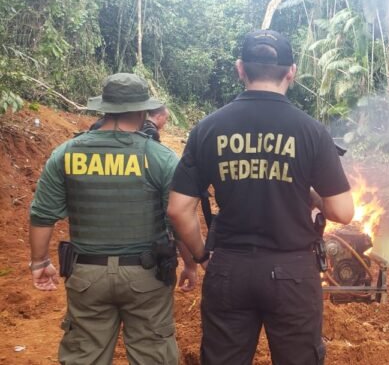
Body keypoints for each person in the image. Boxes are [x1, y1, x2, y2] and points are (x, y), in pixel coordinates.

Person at [167, 30, 354, 365]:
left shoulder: (208, 129)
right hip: (294, 273)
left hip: (230, 268)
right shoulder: (312, 131)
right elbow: (342, 211)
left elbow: (179, 210)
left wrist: (202, 255)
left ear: (240, 69)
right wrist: (311, 195)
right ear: (291, 72)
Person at [28, 73, 197, 364]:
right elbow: (178, 220)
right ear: (143, 111)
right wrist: (191, 264)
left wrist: (40, 262)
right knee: (153, 354)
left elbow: (42, 215)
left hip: (86, 276)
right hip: (146, 276)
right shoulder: (160, 157)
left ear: (104, 108)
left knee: (84, 356)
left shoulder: (66, 153)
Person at [89, 105, 169, 142]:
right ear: (140, 113)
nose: (166, 121)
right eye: (166, 118)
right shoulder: (150, 131)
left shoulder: (97, 125)